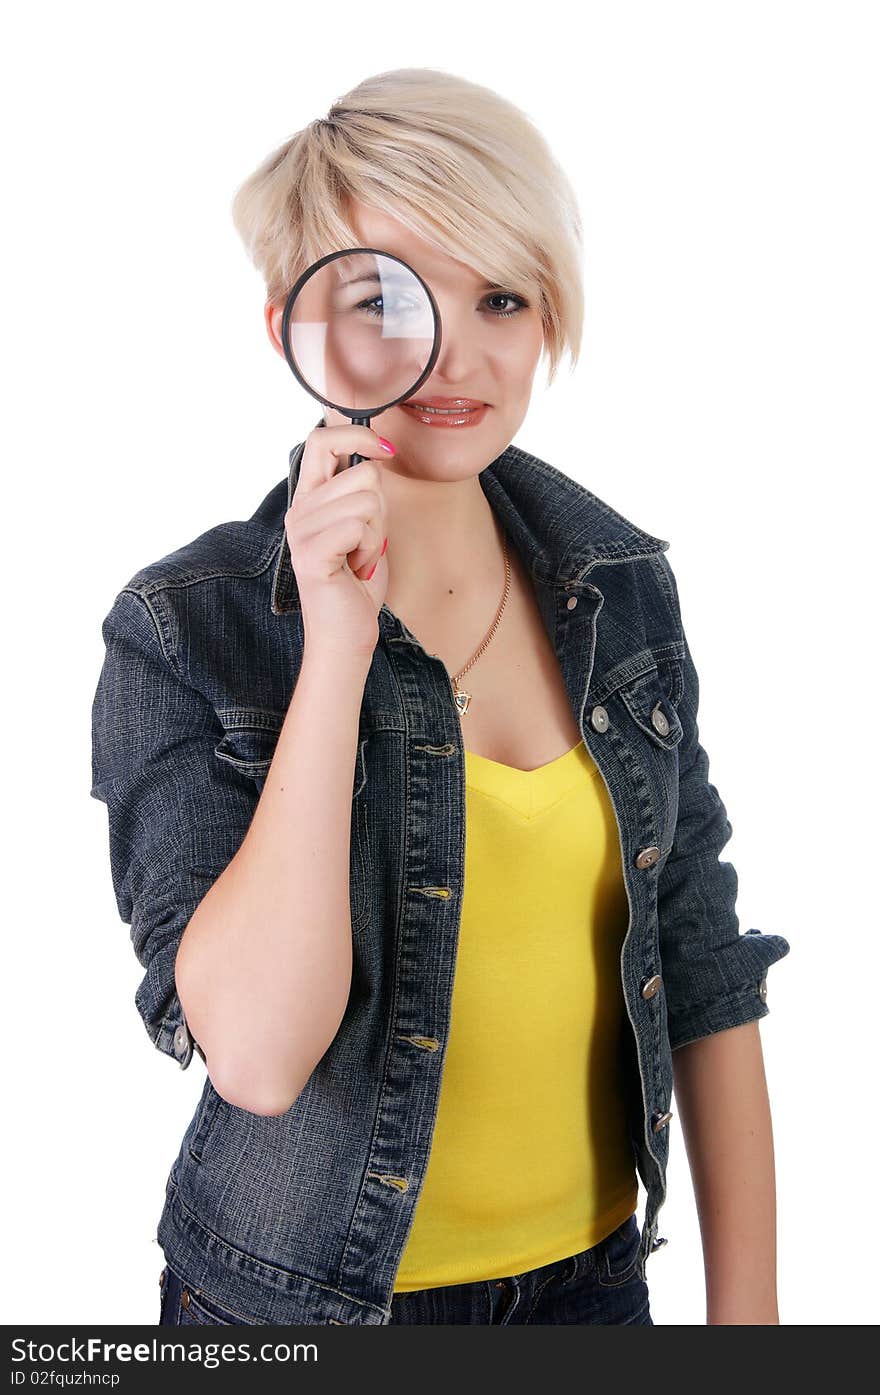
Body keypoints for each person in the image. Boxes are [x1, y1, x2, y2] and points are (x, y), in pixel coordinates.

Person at [90, 67, 791, 1327]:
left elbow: (701, 965)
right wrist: (337, 649)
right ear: (291, 328)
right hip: (303, 1308)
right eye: (383, 299)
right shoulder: (183, 628)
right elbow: (254, 1055)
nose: (453, 354)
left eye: (502, 297)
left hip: (593, 1292)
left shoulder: (617, 590)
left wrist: (752, 1328)